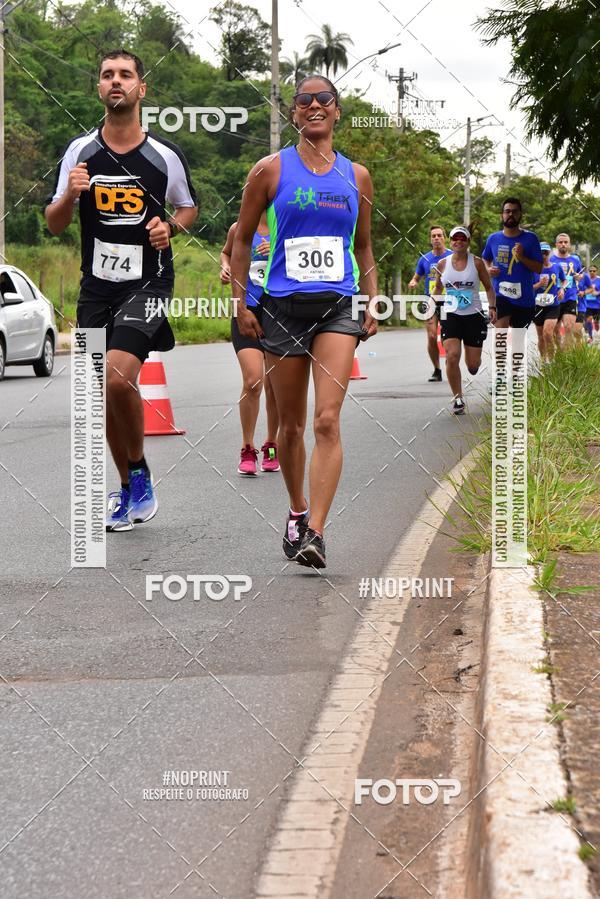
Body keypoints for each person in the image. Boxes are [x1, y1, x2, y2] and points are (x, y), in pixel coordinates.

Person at [45, 49, 197, 531]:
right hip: (97, 286)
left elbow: (187, 209)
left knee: (116, 378)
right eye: (108, 75)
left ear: (141, 89)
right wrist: (70, 194)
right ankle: (132, 480)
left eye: (126, 75)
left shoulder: (165, 155)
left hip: (149, 281)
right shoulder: (79, 152)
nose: (116, 82)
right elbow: (53, 224)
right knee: (99, 393)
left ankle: (137, 479)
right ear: (99, 88)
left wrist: (169, 228)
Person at [229, 75, 377, 569]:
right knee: (290, 428)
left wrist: (371, 299)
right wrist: (243, 301)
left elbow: (364, 247)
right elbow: (244, 238)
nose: (314, 106)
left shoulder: (356, 177)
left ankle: (315, 531)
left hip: (338, 305)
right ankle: (296, 510)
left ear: (337, 111)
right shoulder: (269, 170)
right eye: (303, 101)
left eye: (323, 100)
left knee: (327, 420)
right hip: (282, 308)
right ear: (294, 113)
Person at [220, 213, 280, 476]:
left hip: (280, 312)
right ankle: (247, 447)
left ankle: (272, 444)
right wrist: (225, 267)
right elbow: (226, 254)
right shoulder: (239, 228)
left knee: (276, 386)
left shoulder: (285, 226)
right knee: (254, 380)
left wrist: (277, 251)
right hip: (246, 311)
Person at [433, 226, 495, 414]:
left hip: (474, 316)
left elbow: (489, 287)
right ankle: (458, 399)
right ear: (450, 241)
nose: (458, 241)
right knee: (451, 356)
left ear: (467, 242)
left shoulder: (476, 263)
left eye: (462, 238)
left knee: (473, 366)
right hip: (451, 314)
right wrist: (430, 305)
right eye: (455, 238)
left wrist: (492, 307)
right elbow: (437, 289)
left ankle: (473, 366)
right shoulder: (443, 265)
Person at [482, 197, 543, 329]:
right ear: (501, 215)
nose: (511, 214)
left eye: (514, 212)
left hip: (524, 299)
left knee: (517, 345)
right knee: (500, 338)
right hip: (500, 296)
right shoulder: (493, 238)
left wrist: (521, 257)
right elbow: (485, 258)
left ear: (520, 215)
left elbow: (538, 268)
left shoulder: (531, 238)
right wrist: (488, 269)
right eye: (507, 211)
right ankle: (500, 349)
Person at [408, 226, 452, 382]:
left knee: (448, 337)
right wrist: (413, 282)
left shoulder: (453, 256)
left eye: (439, 235)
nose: (436, 238)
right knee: (432, 336)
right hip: (431, 300)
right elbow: (416, 277)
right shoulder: (425, 259)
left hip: (449, 300)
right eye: (433, 236)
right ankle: (437, 369)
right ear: (430, 239)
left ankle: (450, 366)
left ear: (444, 238)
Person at [533, 242, 566, 361]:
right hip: (537, 306)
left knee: (548, 333)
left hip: (553, 305)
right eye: (541, 253)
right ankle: (543, 361)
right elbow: (528, 287)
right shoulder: (533, 269)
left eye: (546, 253)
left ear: (549, 253)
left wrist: (562, 289)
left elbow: (564, 280)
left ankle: (551, 361)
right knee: (541, 336)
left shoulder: (556, 267)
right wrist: (539, 284)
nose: (543, 255)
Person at [550, 234, 583, 347]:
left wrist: (579, 277)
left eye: (565, 242)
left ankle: (566, 358)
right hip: (555, 299)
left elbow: (580, 274)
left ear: (569, 244)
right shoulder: (551, 259)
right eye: (560, 242)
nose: (563, 244)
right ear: (556, 244)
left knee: (569, 328)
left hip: (570, 296)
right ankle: (559, 355)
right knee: (555, 331)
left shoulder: (575, 259)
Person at [583, 264, 600, 341]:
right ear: (588, 271)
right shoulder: (585, 279)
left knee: (596, 322)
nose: (592, 272)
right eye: (590, 271)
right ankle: (590, 337)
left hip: (597, 305)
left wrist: (597, 293)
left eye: (594, 271)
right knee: (589, 319)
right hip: (587, 304)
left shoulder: (599, 280)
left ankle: (596, 323)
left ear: (596, 271)